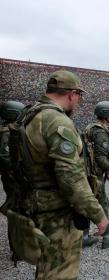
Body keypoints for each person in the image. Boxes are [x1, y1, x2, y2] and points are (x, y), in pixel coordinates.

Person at [8, 70, 109, 279]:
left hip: (33, 203)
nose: (79, 102)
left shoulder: (28, 114)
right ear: (72, 94)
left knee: (47, 267)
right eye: (79, 96)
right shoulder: (57, 121)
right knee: (60, 271)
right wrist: (97, 214)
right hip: (57, 212)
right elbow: (70, 177)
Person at [82, 101, 109, 249]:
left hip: (87, 172)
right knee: (102, 202)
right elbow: (101, 157)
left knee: (88, 202)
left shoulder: (91, 127)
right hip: (94, 174)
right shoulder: (100, 131)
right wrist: (108, 169)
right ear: (107, 115)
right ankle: (107, 238)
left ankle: (85, 236)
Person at [0, 100, 25, 261]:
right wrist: (17, 173)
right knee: (15, 212)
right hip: (12, 180)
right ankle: (17, 250)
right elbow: (5, 157)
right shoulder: (6, 133)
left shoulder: (9, 130)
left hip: (13, 178)